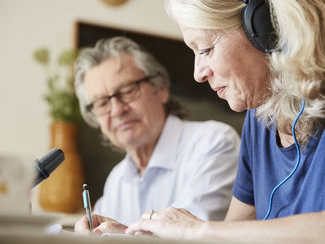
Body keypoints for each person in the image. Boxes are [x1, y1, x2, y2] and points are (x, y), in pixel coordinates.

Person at [117, 0, 325, 242]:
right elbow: (231, 236)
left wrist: (199, 230)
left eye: (204, 49)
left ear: (266, 27)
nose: (198, 73)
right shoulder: (261, 115)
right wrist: (135, 237)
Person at [73, 36, 240, 233]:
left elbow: (191, 237)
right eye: (102, 103)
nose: (117, 110)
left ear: (160, 89)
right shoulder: (116, 180)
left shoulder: (214, 142)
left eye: (127, 91)